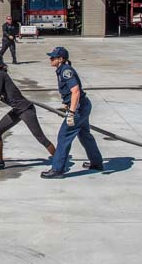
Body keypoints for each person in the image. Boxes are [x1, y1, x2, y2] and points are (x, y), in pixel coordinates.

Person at [0, 51, 56, 172]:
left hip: (26, 110)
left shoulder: (0, 75)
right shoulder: (0, 76)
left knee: (41, 138)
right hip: (17, 110)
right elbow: (2, 97)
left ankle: (59, 163)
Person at [41, 47, 104, 179]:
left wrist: (71, 112)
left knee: (63, 136)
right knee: (84, 135)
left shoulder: (66, 71)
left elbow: (75, 91)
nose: (50, 59)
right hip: (83, 106)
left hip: (79, 109)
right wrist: (67, 103)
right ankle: (97, 163)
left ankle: (57, 169)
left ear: (61, 59)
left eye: (53, 57)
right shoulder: (61, 70)